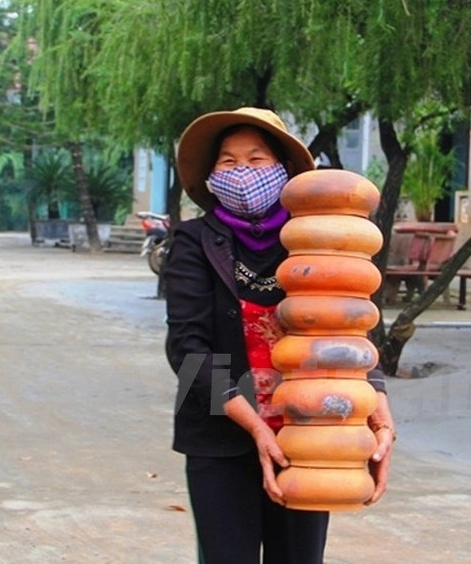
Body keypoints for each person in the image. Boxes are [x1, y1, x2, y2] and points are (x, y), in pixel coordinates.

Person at [165, 107, 396, 564]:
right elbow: (187, 350)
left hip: (310, 435)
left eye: (257, 159)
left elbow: (347, 332)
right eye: (228, 162)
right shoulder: (193, 241)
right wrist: (254, 427)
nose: (243, 172)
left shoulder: (318, 241)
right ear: (212, 176)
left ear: (284, 172)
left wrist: (380, 414)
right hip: (221, 433)